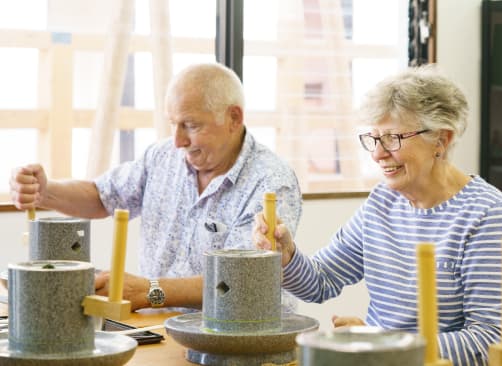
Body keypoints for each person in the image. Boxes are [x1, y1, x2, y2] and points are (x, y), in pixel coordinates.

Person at [253, 65, 502, 366]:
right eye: (373, 138)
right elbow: (321, 281)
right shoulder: (382, 202)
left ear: (442, 140)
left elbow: (488, 341)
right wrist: (287, 254)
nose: (378, 154)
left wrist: (380, 342)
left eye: (393, 138)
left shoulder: (489, 217)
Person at [10, 62, 302, 311]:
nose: (177, 141)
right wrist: (46, 192)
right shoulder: (162, 156)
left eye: (191, 125)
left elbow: (243, 281)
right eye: (172, 123)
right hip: (161, 326)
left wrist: (149, 291)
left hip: (243, 342)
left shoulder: (271, 183)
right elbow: (102, 197)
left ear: (233, 118)